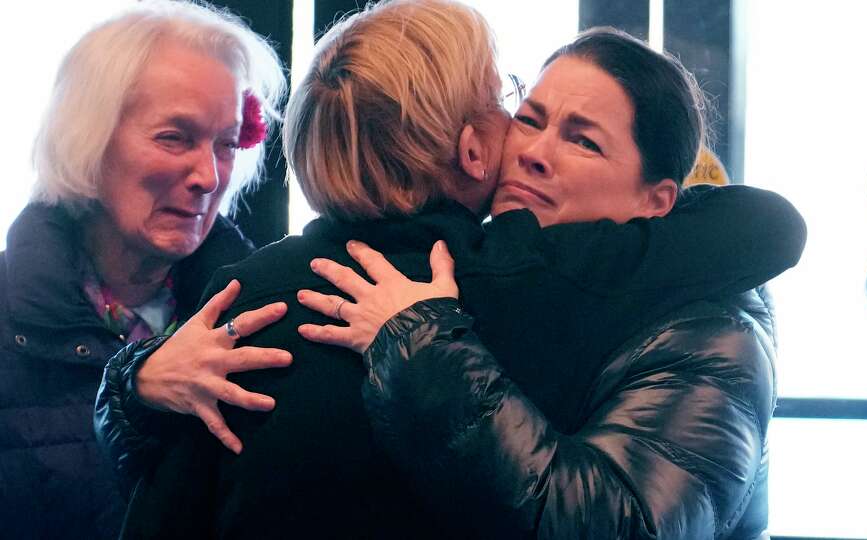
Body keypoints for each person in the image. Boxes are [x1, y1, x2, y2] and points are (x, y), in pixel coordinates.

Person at [97, 1, 803, 538]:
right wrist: (134, 388)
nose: (530, 150)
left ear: (659, 200)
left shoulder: (249, 295)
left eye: (581, 139)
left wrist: (131, 391)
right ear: (472, 152)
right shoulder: (525, 290)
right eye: (522, 113)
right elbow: (761, 230)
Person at [0, 2, 286, 538]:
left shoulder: (265, 311)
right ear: (88, 139)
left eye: (226, 144)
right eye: (174, 138)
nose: (208, 175)